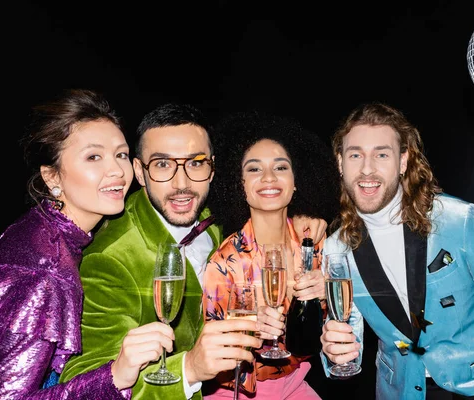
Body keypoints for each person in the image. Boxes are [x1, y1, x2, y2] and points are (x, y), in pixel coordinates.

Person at [60, 103, 328, 399]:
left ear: (213, 169)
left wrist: (304, 219)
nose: (182, 184)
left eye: (195, 163)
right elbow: (83, 381)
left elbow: (267, 209)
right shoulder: (109, 259)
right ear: (139, 171)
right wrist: (188, 369)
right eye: (162, 164)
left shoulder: (216, 216)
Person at [319, 102, 474, 400]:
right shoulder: (336, 246)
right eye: (355, 154)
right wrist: (335, 351)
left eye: (381, 154)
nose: (367, 169)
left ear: (402, 161)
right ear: (340, 162)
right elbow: (349, 337)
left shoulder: (458, 221)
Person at [0, 89, 175, 399]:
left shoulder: (41, 231)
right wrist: (115, 375)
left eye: (121, 154)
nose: (117, 171)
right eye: (93, 156)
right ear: (52, 177)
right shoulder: (44, 273)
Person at [202, 111, 340, 399]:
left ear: (295, 181)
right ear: (239, 184)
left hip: (297, 383)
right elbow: (213, 352)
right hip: (237, 391)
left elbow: (336, 324)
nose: (268, 177)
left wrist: (326, 294)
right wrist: (252, 330)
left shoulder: (315, 246)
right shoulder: (224, 262)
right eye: (254, 169)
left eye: (280, 167)